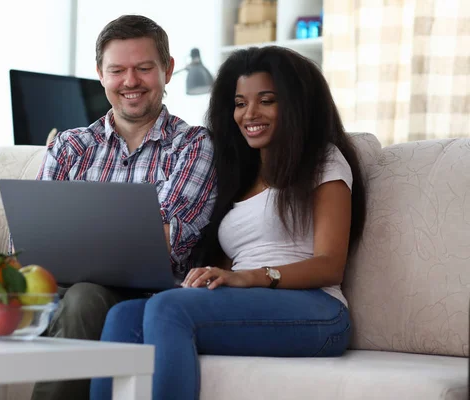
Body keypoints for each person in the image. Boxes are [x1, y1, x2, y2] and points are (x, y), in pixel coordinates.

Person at [0, 15, 216, 400]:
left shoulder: (192, 145)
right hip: (49, 281)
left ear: (167, 70)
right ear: (100, 74)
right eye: (117, 70)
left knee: (84, 297)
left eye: (144, 68)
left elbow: (167, 243)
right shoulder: (71, 144)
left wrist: (75, 241)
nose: (130, 82)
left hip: (137, 294)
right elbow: (26, 239)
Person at [90, 45, 367, 400]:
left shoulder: (323, 161)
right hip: (250, 300)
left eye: (266, 100)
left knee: (168, 309)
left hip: (317, 309)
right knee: (124, 315)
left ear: (297, 105)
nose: (249, 113)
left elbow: (330, 266)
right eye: (239, 103)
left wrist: (248, 277)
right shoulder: (240, 174)